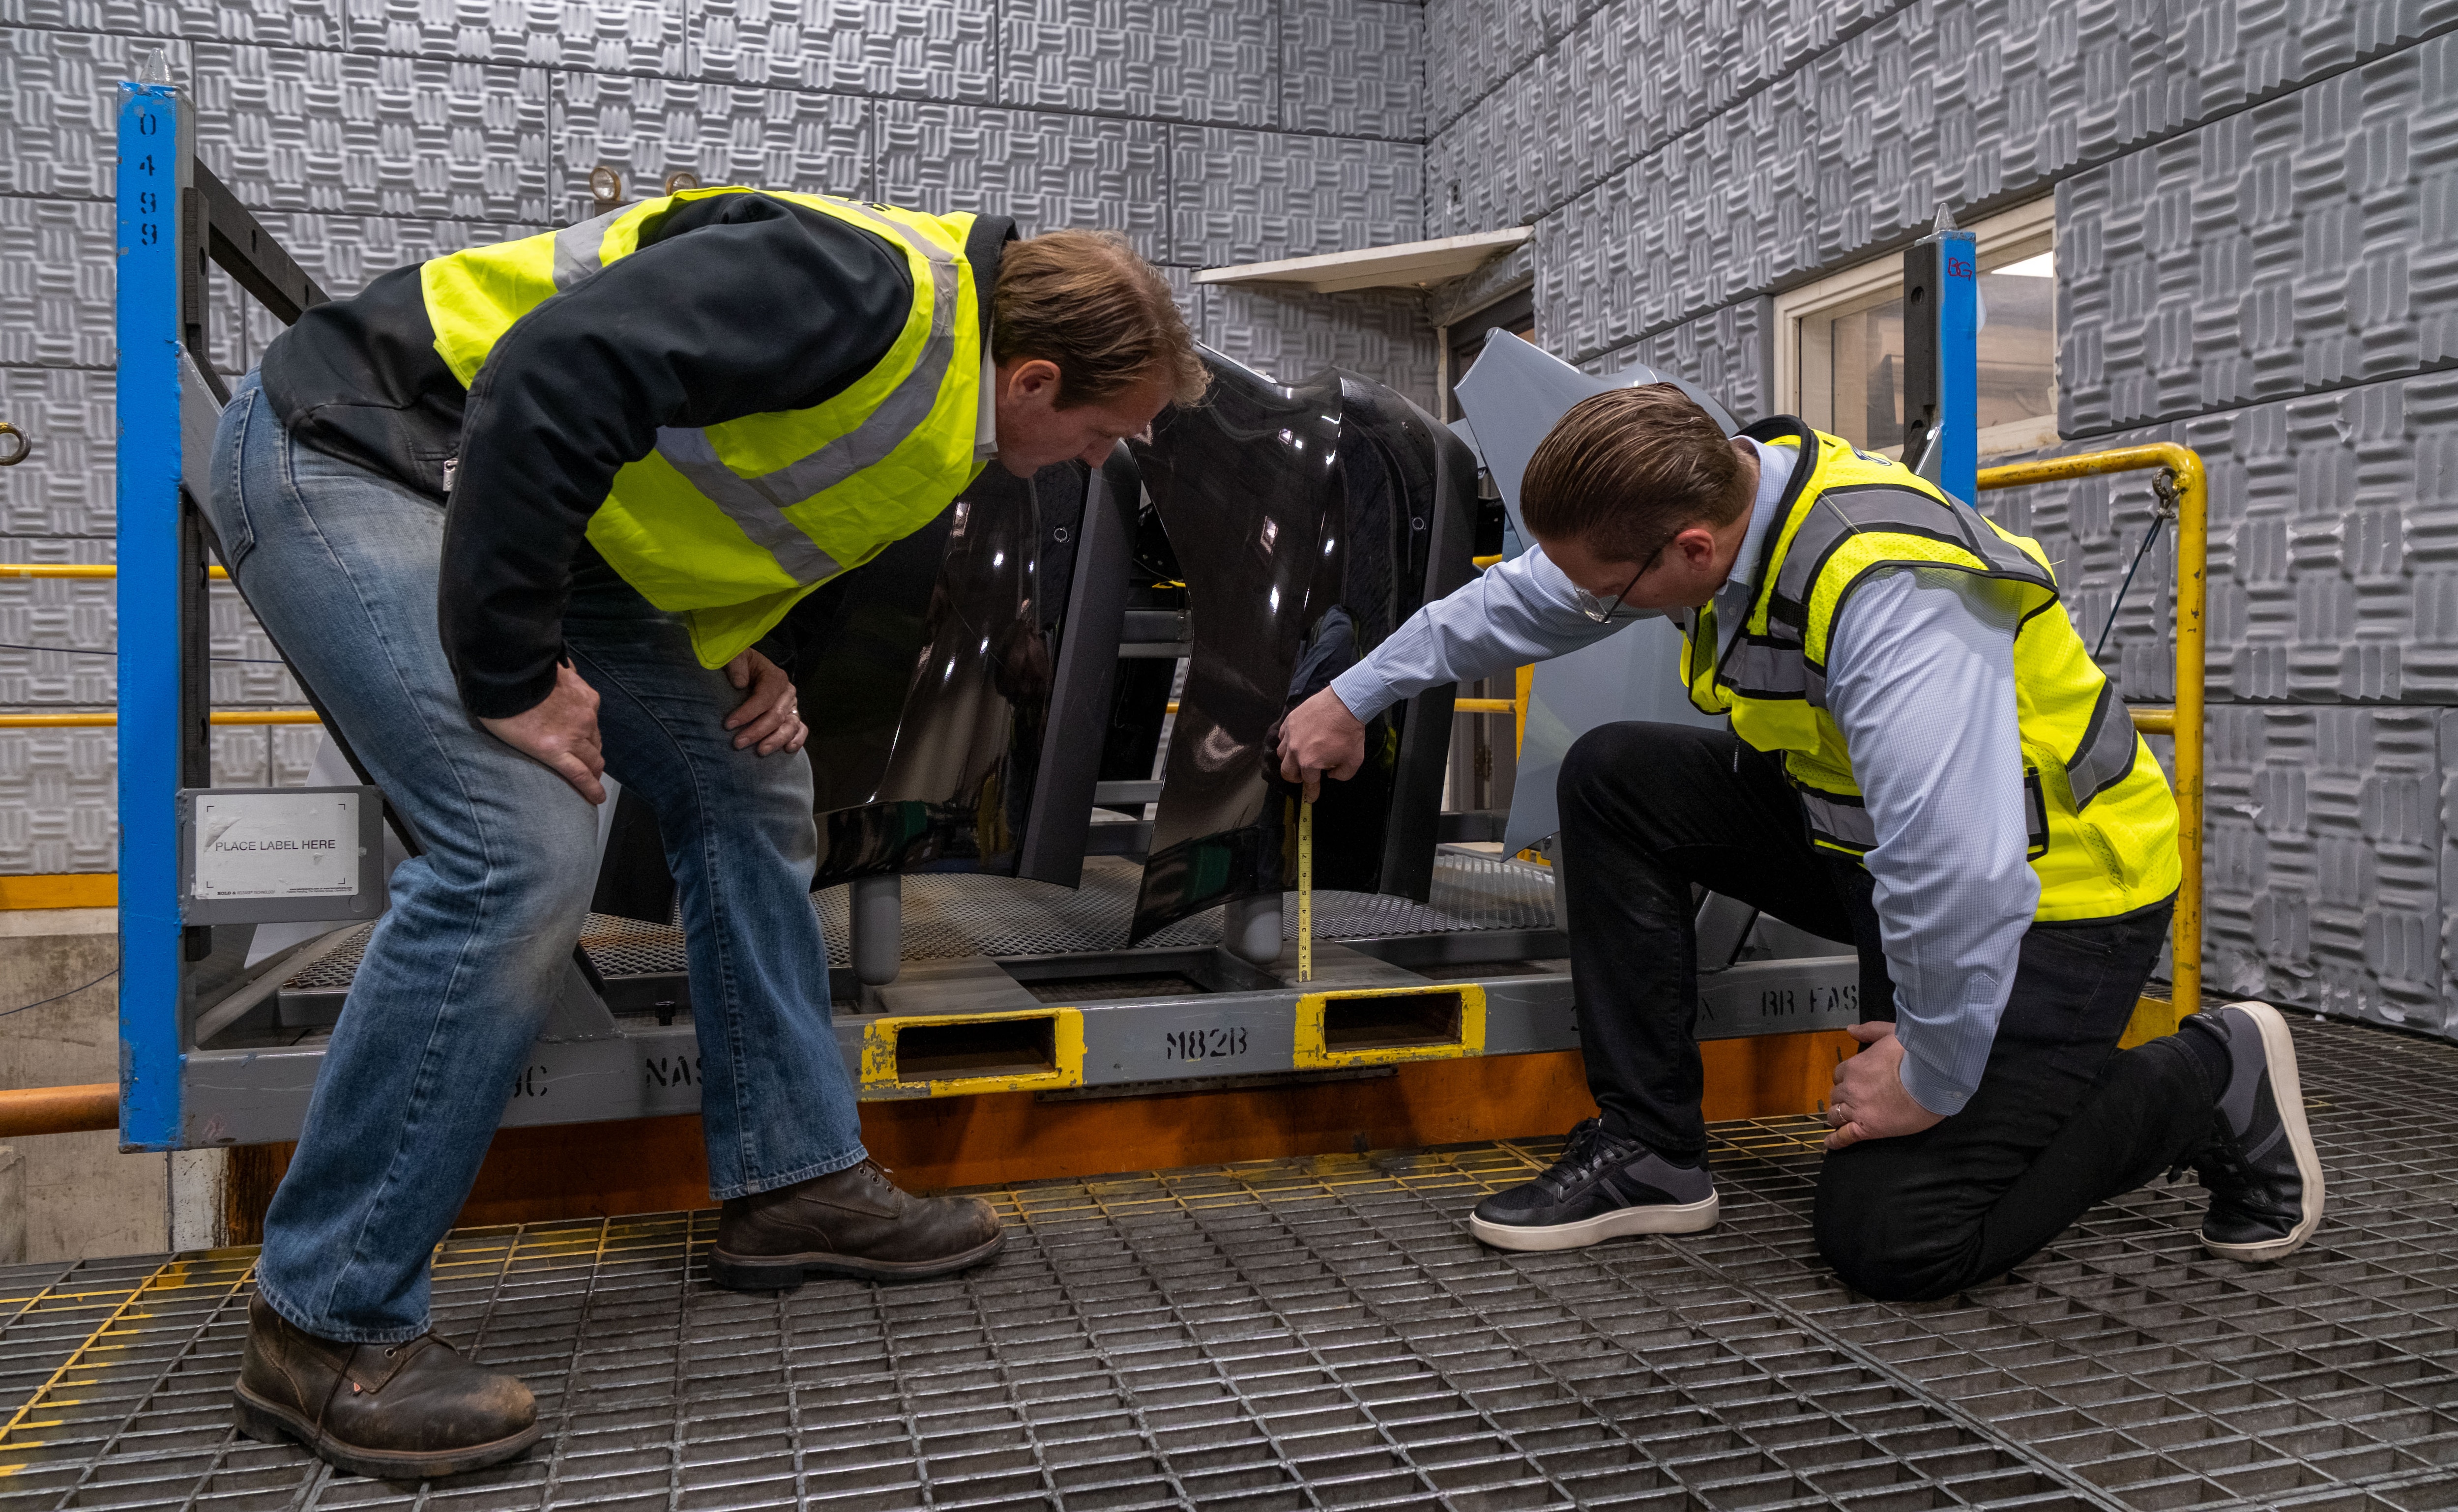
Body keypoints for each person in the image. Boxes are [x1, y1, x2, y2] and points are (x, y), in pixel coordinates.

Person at [212, 191, 1206, 1478]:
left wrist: (752, 651)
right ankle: (322, 1319)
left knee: (749, 782)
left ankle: (794, 1179)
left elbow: (730, 484)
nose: (1093, 461)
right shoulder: (860, 288)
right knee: (518, 844)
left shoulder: (953, 412)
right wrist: (513, 671)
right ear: (1034, 377)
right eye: (1099, 432)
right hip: (367, 447)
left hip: (552, 525)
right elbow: (548, 376)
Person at [1278, 386, 2323, 1300]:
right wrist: (1351, 694)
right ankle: (1652, 1149)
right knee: (1617, 775)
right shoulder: (1721, 508)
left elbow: (1959, 866)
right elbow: (1522, 603)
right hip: (1873, 854)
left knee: (1895, 1237)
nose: (1591, 608)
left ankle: (2210, 1074)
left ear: (1690, 548)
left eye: (1609, 590)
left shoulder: (1887, 591)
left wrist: (1931, 1071)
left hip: (2055, 897)